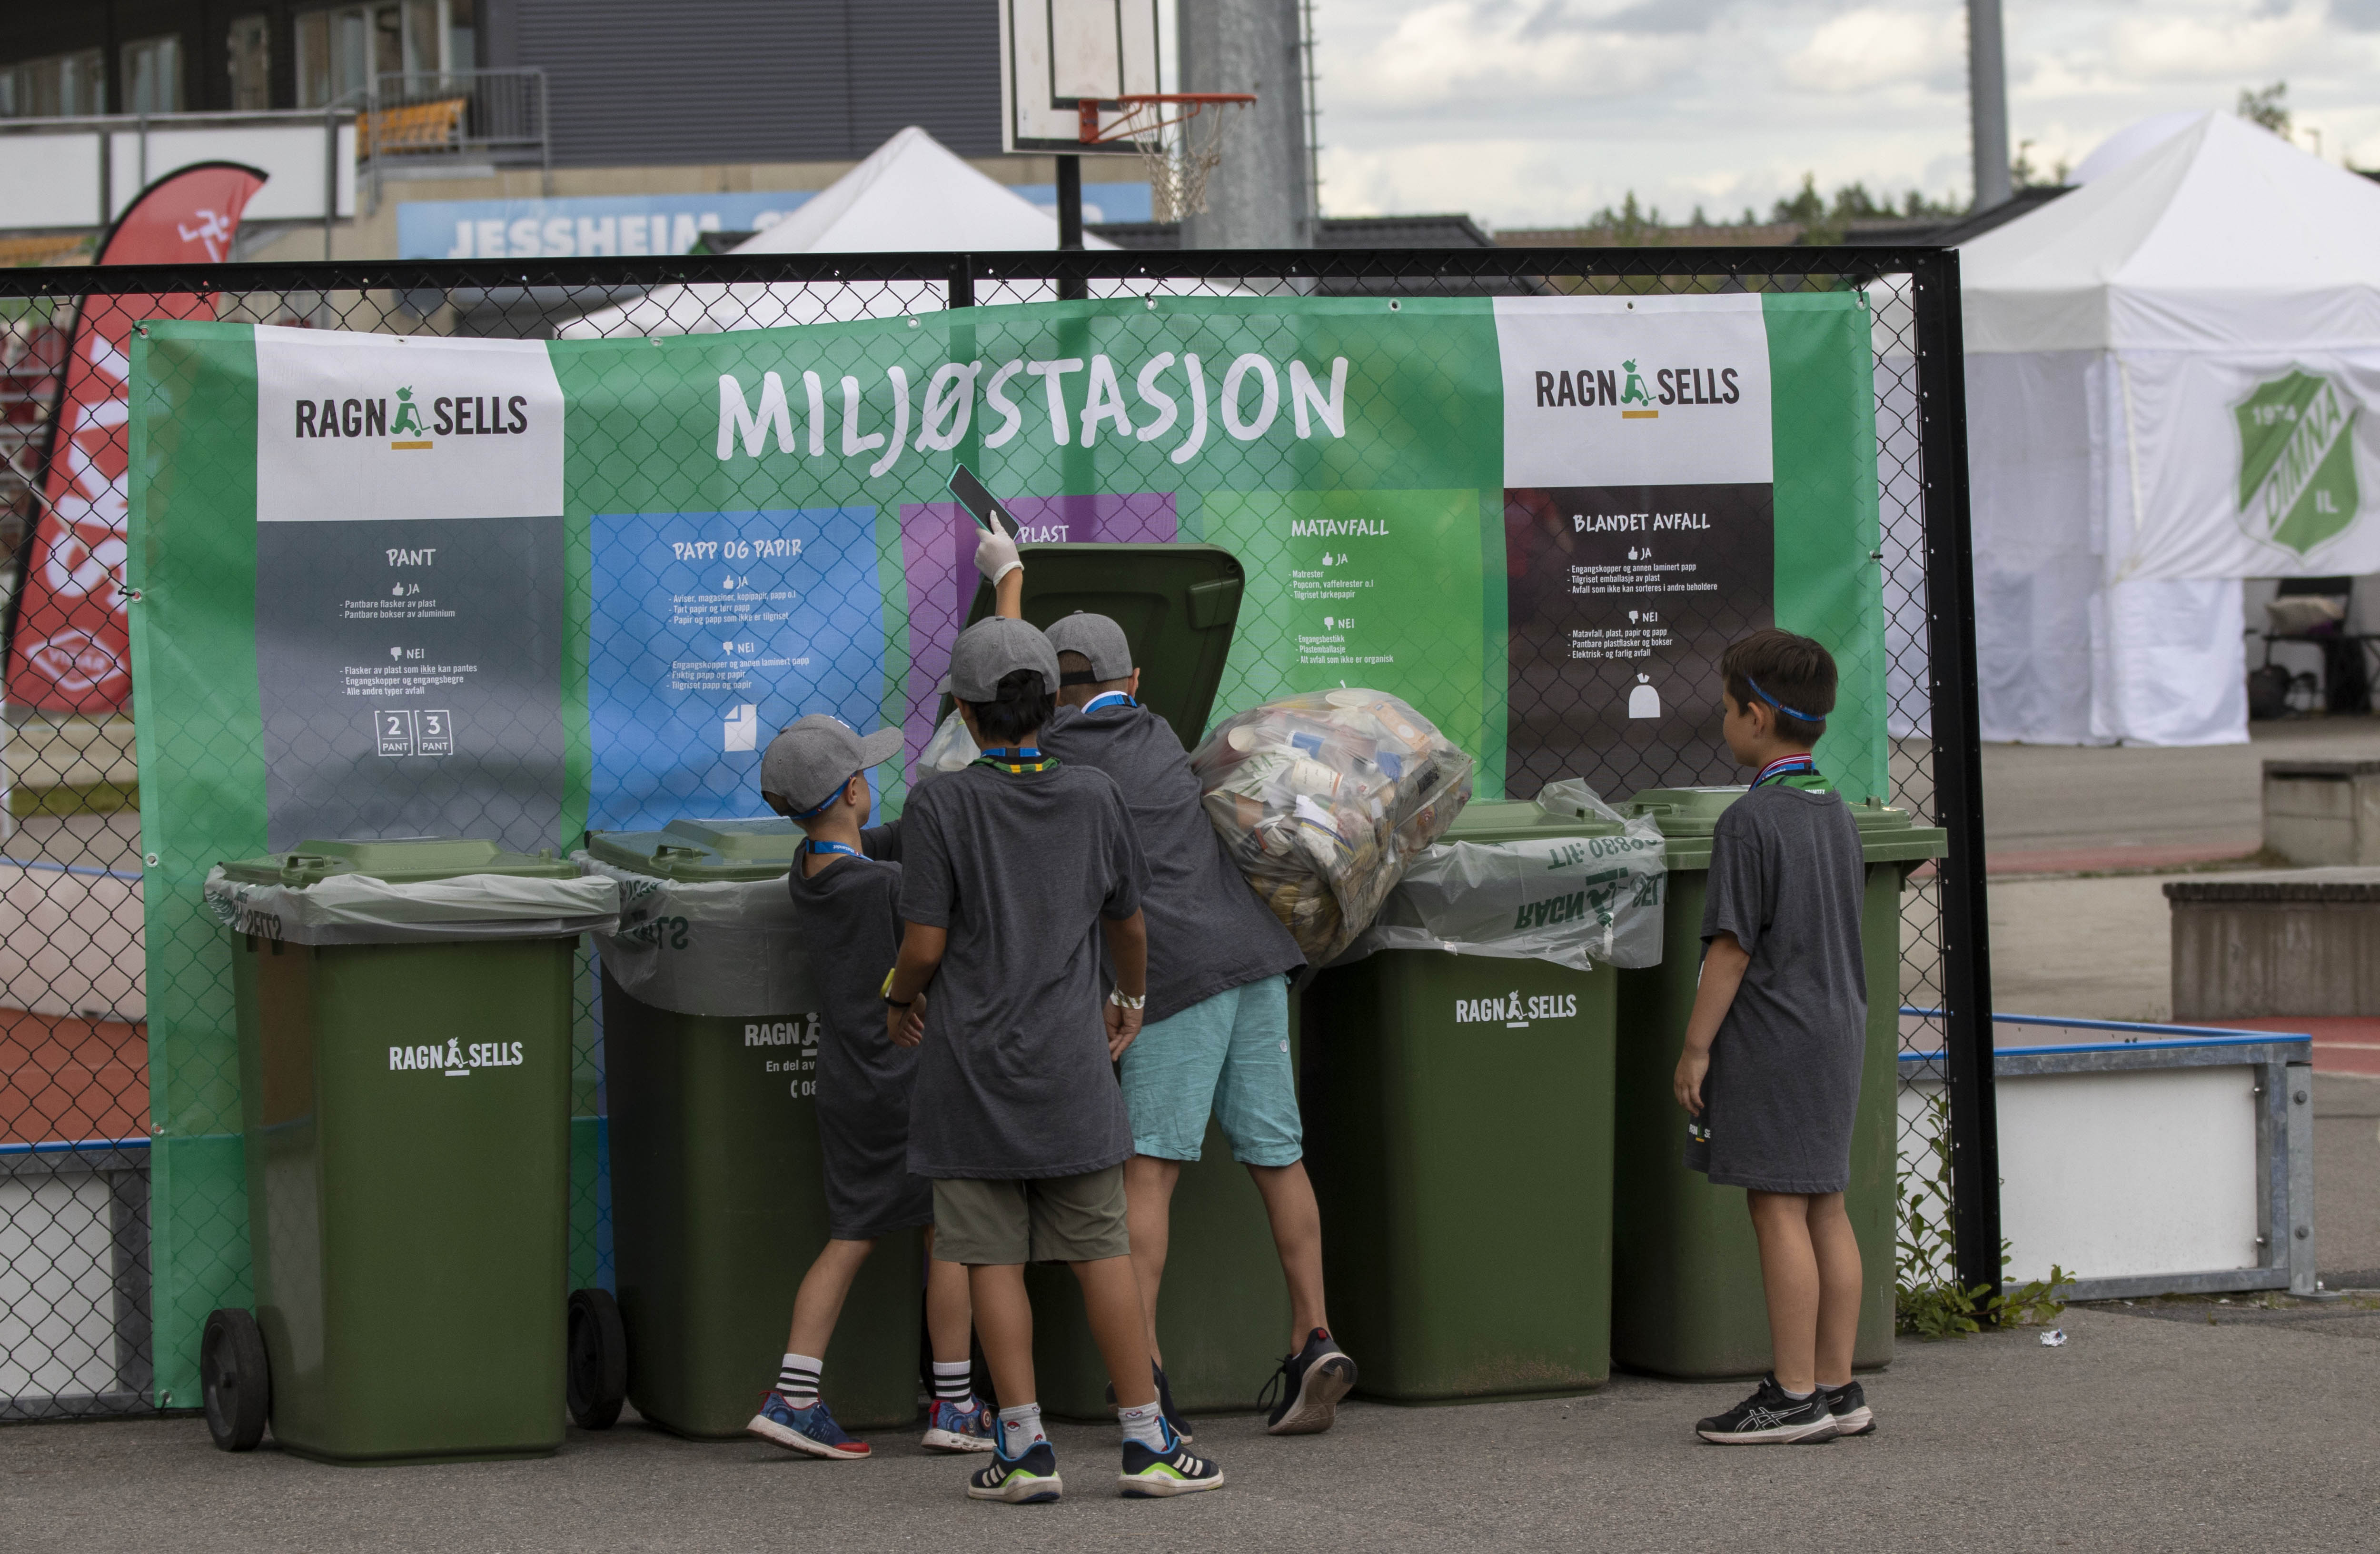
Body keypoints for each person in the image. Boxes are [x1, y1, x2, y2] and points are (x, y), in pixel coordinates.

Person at [976, 538, 1356, 1435]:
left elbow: (1003, 678)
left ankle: (1142, 1375)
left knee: (1149, 1170)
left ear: (1048, 693)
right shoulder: (1161, 737)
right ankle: (1314, 1336)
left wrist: (1006, 583)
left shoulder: (1057, 755)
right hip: (1255, 959)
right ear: (1135, 681)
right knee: (1278, 1156)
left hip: (1175, 977)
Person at [882, 613, 1226, 1502]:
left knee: (990, 1259)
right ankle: (1149, 1441)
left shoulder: (939, 805)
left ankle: (1025, 1449)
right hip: (1073, 1069)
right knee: (1101, 1251)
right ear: (1050, 705)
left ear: (964, 711)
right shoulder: (1095, 796)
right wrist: (1129, 1001)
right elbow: (1129, 926)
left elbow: (923, 945)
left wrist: (898, 998)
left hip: (971, 1073)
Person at [744, 714, 993, 1460]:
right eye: (867, 775)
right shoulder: (885, 888)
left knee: (852, 1234)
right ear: (854, 790)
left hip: (849, 1084)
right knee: (950, 1233)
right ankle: (956, 1406)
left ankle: (794, 1395)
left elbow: (882, 845)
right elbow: (928, 913)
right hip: (907, 1083)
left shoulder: (812, 870)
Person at [1671, 628, 1874, 1445]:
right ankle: (1836, 1386)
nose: (1724, 721)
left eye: (1727, 708)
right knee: (1826, 1203)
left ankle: (1791, 1396)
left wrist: (1695, 1048)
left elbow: (1732, 949)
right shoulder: (1838, 812)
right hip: (1837, 1030)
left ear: (1755, 717)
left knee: (1776, 1205)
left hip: (1774, 1036)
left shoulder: (1749, 820)